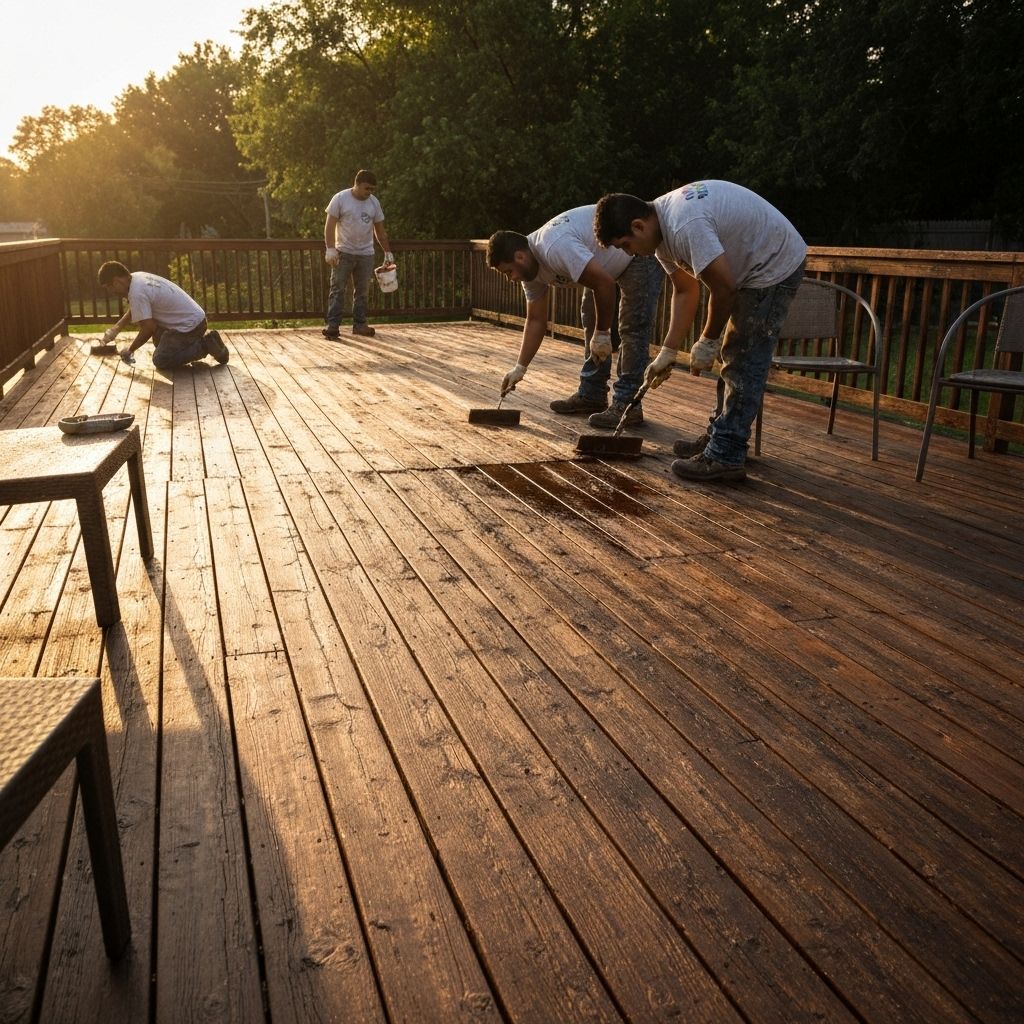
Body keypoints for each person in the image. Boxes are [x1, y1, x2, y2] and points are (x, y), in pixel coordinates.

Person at [593, 180, 807, 481]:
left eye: (625, 245)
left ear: (638, 226)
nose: (629, 253)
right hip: (750, 264)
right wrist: (667, 351)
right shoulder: (661, 235)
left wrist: (707, 340)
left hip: (773, 261)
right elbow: (685, 290)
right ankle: (720, 435)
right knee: (734, 355)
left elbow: (724, 289)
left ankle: (726, 453)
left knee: (742, 357)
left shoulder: (683, 224)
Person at [486, 206, 662, 429]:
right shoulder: (529, 272)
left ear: (520, 256)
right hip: (601, 268)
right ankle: (593, 394)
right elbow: (536, 320)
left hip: (637, 252)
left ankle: (628, 405)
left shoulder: (553, 246)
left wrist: (603, 334)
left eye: (508, 271)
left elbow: (604, 283)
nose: (511, 279)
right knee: (590, 316)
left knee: (632, 326)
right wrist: (520, 367)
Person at [97, 261, 229, 369]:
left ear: (115, 282)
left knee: (161, 359)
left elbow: (148, 328)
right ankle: (193, 345)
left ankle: (205, 345)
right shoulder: (137, 278)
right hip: (196, 320)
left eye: (109, 288)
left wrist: (130, 350)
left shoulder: (136, 292)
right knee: (159, 342)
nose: (111, 292)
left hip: (191, 326)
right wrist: (116, 329)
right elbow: (137, 308)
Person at [323, 169, 393, 339]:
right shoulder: (340, 198)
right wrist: (330, 248)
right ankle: (333, 325)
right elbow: (330, 225)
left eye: (372, 190)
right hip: (343, 252)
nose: (370, 192)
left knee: (362, 291)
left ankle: (360, 325)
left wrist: (387, 252)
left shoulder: (373, 203)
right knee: (337, 288)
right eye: (367, 188)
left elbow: (380, 230)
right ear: (357, 184)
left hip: (366, 254)